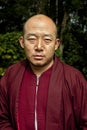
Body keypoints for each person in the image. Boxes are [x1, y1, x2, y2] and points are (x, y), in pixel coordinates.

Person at [0, 14, 87, 130]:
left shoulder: (74, 79)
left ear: (56, 44)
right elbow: (3, 119)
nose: (39, 46)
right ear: (22, 42)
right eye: (31, 39)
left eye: (47, 40)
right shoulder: (11, 75)